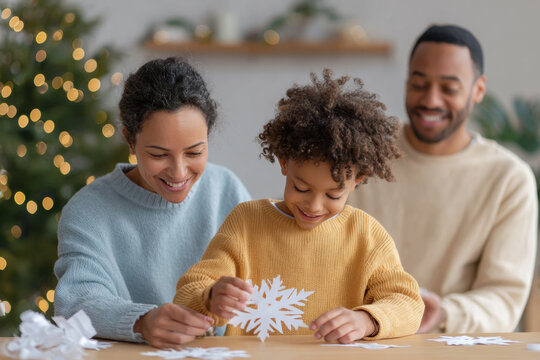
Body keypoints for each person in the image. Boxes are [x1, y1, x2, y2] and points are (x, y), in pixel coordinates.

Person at [174, 69, 424, 343]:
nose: (314, 205)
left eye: (333, 195)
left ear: (357, 181)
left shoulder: (367, 235)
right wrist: (210, 297)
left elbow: (408, 304)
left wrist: (366, 321)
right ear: (283, 162)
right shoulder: (246, 222)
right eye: (301, 188)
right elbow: (188, 293)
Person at [349, 24, 538, 333]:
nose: (431, 100)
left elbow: (505, 298)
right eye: (419, 84)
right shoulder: (363, 151)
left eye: (449, 88)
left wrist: (443, 313)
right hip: (356, 338)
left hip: (450, 344)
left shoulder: (509, 179)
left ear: (478, 90)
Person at [54, 57, 251, 348]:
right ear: (129, 141)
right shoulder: (87, 211)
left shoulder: (227, 190)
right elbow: (75, 303)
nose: (179, 172)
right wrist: (141, 321)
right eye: (159, 155)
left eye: (194, 152)